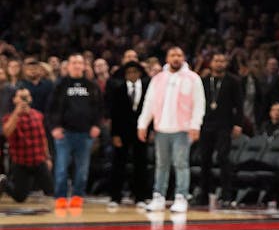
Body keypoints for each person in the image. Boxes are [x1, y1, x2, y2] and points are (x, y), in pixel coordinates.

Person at [136, 46, 205, 214]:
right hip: (161, 128)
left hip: (182, 128)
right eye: (173, 55)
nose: (176, 58)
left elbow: (199, 104)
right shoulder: (158, 79)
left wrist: (196, 125)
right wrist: (142, 124)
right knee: (161, 164)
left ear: (183, 58)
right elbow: (149, 102)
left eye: (179, 55)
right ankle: (158, 196)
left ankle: (181, 196)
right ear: (167, 58)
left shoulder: (193, 78)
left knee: (181, 164)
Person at [47, 53, 102, 212]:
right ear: (68, 66)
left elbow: (99, 108)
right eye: (74, 62)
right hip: (64, 133)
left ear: (84, 66)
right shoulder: (60, 85)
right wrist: (54, 127)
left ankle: (78, 195)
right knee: (62, 167)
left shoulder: (91, 85)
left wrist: (96, 125)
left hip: (85, 134)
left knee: (82, 169)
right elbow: (51, 109)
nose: (77, 65)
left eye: (80, 62)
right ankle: (61, 197)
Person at [195, 52, 243, 208]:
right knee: (205, 160)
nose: (219, 63)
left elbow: (239, 105)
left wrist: (238, 124)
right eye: (216, 60)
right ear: (211, 63)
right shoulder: (203, 81)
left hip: (224, 124)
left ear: (226, 63)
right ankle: (203, 195)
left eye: (222, 61)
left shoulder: (233, 81)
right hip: (205, 124)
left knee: (223, 159)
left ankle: (226, 195)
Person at [105, 59, 150, 205]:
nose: (132, 74)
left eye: (135, 71)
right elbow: (114, 114)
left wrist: (150, 130)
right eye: (129, 72)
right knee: (118, 164)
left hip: (141, 132)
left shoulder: (147, 88)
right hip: (122, 132)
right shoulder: (118, 89)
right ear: (124, 75)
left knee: (141, 164)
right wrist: (114, 134)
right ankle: (115, 197)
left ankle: (140, 197)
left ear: (140, 73)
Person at [1, 89, 52, 203]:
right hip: (21, 162)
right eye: (21, 97)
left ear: (30, 99)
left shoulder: (38, 115)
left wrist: (47, 157)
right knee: (20, 197)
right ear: (14, 100)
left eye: (26, 97)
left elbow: (43, 138)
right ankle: (3, 182)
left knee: (51, 191)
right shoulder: (8, 117)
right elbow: (7, 132)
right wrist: (16, 113)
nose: (24, 100)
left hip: (39, 160)